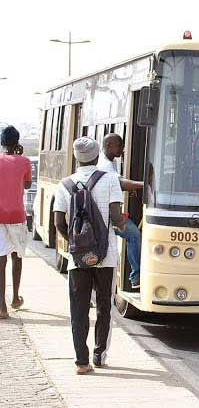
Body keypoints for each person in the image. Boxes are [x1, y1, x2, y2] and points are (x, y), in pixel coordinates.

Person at [54, 137, 125, 374]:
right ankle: (99, 356)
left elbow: (58, 223)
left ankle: (81, 362)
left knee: (79, 308)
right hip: (106, 256)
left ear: (76, 158)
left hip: (78, 259)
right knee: (104, 305)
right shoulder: (110, 179)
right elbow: (116, 217)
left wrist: (76, 243)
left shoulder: (64, 184)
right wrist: (121, 228)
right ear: (97, 156)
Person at [97, 133, 142, 289]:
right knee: (134, 235)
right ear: (108, 145)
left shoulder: (110, 161)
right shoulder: (105, 164)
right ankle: (136, 277)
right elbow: (120, 183)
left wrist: (130, 188)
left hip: (106, 212)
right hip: (106, 215)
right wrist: (145, 185)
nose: (122, 150)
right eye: (119, 146)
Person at [0, 126, 32, 319]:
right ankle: (15, 298)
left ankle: (2, 307)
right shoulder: (25, 161)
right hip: (17, 216)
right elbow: (27, 185)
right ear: (17, 142)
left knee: (0, 261)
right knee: (17, 257)